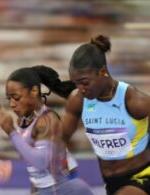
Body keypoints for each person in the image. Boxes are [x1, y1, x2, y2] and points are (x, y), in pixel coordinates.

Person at [61, 34, 150, 195]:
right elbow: (60, 139)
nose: (80, 89)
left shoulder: (133, 100)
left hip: (143, 176)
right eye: (76, 83)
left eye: (85, 82)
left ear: (102, 71)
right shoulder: (78, 100)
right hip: (110, 183)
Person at [0, 65, 93, 195]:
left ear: (34, 91)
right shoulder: (23, 120)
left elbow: (41, 162)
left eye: (16, 97)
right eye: (9, 98)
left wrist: (11, 132)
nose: (12, 104)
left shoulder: (47, 121)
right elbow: (33, 167)